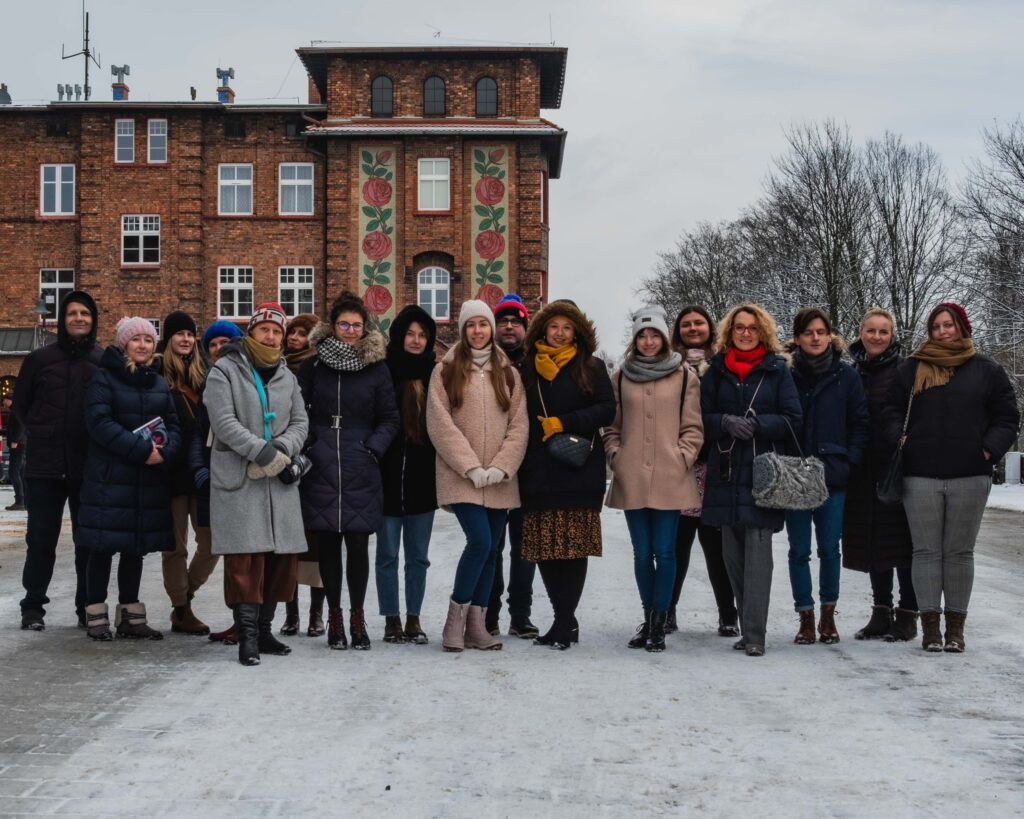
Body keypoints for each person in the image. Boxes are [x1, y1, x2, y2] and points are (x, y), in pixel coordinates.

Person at [883, 302, 1019, 653]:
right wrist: (901, 439)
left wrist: (987, 450)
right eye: (936, 326)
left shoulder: (986, 370)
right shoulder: (911, 368)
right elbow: (891, 410)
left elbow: (1007, 417)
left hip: (970, 475)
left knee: (959, 553)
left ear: (963, 327)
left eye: (949, 325)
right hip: (920, 475)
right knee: (926, 552)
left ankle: (956, 630)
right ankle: (930, 629)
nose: (943, 331)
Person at [204, 303, 310, 666]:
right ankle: (246, 636)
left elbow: (300, 422)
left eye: (277, 331)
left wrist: (282, 449)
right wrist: (262, 452)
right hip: (239, 477)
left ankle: (265, 632)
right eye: (264, 329)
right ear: (250, 332)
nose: (271, 336)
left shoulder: (286, 376)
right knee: (244, 560)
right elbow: (223, 422)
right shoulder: (225, 370)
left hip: (278, 481)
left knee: (280, 560)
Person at [700, 303, 802, 656]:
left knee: (759, 558)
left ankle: (755, 635)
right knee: (732, 557)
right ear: (730, 332)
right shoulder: (715, 370)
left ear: (763, 332)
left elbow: (793, 419)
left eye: (752, 328)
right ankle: (747, 628)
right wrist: (725, 422)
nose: (746, 333)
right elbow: (702, 418)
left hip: (763, 473)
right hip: (726, 473)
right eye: (740, 327)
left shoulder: (777, 370)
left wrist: (759, 424)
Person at [298, 292, 399, 651]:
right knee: (327, 544)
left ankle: (357, 616)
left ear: (364, 327)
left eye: (357, 325)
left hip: (360, 462)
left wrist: (373, 447)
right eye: (344, 324)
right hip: (321, 462)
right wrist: (310, 443)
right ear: (333, 325)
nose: (351, 331)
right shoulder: (312, 366)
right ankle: (335, 616)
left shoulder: (377, 367)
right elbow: (300, 411)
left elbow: (389, 417)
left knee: (358, 544)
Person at [427, 300, 528, 652]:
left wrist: (501, 465)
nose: (478, 331)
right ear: (463, 330)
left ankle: (478, 626)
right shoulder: (445, 370)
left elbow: (519, 425)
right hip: (462, 477)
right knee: (481, 543)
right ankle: (453, 621)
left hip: (500, 479)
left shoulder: (508, 373)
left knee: (492, 551)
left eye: (483, 324)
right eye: (471, 325)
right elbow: (440, 425)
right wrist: (470, 466)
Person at [604, 306, 704, 652]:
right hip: (631, 472)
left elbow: (693, 426)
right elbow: (611, 425)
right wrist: (615, 454)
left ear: (663, 338)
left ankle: (660, 622)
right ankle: (648, 618)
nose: (648, 341)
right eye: (642, 335)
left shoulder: (684, 375)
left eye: (654, 335)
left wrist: (683, 456)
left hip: (670, 473)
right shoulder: (621, 375)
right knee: (642, 552)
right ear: (635, 340)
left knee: (665, 550)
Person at [76, 317, 182, 641]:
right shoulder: (104, 378)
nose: (142, 345)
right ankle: (95, 615)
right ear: (124, 344)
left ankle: (131, 617)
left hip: (145, 480)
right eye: (136, 340)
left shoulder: (159, 382)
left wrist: (166, 451)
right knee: (103, 548)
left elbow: (174, 424)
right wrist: (142, 450)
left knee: (135, 548)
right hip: (110, 480)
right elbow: (99, 424)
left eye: (148, 340)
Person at [518, 300, 615, 651]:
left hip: (578, 466)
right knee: (544, 546)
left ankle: (563, 621)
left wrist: (566, 422)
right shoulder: (527, 368)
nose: (559, 333)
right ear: (543, 329)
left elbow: (607, 410)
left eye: (567, 327)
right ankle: (564, 619)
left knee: (573, 547)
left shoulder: (591, 366)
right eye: (554, 326)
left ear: (578, 332)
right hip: (538, 467)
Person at [12, 290, 102, 630]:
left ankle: (85, 607)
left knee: (87, 541)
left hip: (87, 465)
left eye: (85, 314)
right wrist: (40, 428)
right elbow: (21, 404)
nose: (79, 318)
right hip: (44, 466)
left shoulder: (101, 358)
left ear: (93, 320)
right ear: (63, 320)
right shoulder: (39, 359)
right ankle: (33, 606)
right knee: (41, 539)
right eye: (72, 313)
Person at [784, 308, 869, 645]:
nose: (816, 338)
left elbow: (860, 423)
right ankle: (805, 616)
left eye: (821, 331)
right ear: (798, 337)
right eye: (808, 332)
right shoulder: (785, 373)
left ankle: (828, 616)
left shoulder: (846, 376)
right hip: (793, 475)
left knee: (830, 549)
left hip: (833, 474)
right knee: (798, 550)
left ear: (830, 335)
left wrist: (849, 461)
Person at [843, 307, 919, 642]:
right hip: (862, 469)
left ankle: (907, 613)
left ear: (892, 336)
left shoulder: (906, 370)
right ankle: (880, 611)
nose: (876, 337)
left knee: (902, 542)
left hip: (896, 467)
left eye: (883, 332)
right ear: (861, 333)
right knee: (873, 541)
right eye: (870, 331)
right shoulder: (851, 372)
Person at [668, 305, 738, 637]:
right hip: (679, 465)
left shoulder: (725, 363)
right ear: (677, 330)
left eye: (699, 323)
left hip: (715, 464)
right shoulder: (668, 365)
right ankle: (666, 611)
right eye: (686, 324)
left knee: (716, 547)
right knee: (677, 546)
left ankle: (728, 613)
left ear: (710, 327)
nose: (693, 328)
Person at [377, 305, 438, 644]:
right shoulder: (384, 371)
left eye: (422, 335)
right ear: (400, 335)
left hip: (422, 480)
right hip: (385, 479)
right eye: (410, 334)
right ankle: (391, 618)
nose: (415, 340)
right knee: (386, 555)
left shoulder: (436, 374)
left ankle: (413, 617)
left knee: (418, 556)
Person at [155, 310, 216, 635]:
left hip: (202, 474)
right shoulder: (158, 378)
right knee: (175, 547)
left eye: (190, 334)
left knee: (212, 544)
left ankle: (184, 597)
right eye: (179, 334)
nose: (185, 339)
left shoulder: (204, 377)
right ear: (169, 339)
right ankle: (181, 609)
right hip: (171, 475)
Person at [486, 294, 539, 638]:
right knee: (490, 545)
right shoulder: (482, 362)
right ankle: (488, 614)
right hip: (491, 466)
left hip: (531, 468)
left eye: (515, 322)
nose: (508, 327)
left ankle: (521, 613)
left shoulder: (537, 363)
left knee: (524, 547)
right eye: (502, 321)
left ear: (524, 328)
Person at [188, 320, 244, 645]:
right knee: (213, 546)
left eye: (225, 341)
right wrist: (200, 467)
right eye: (212, 344)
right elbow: (198, 432)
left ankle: (243, 619)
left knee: (240, 551)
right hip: (212, 476)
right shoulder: (207, 383)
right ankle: (184, 599)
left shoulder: (247, 382)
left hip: (240, 476)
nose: (219, 348)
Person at [279, 312, 326, 638]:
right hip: (284, 460)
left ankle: (316, 614)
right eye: (291, 331)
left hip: (316, 463)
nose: (294, 337)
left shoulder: (319, 369)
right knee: (287, 543)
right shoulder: (277, 369)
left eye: (302, 332)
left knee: (317, 543)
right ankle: (291, 613)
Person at [3, 395, 26, 511]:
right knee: (21, 473)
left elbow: (22, 426)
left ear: (10, 400)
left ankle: (20, 501)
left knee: (13, 472)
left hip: (18, 445)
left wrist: (16, 440)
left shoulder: (16, 410)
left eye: (4, 400)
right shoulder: (16, 410)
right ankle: (24, 501)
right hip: (20, 445)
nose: (3, 402)